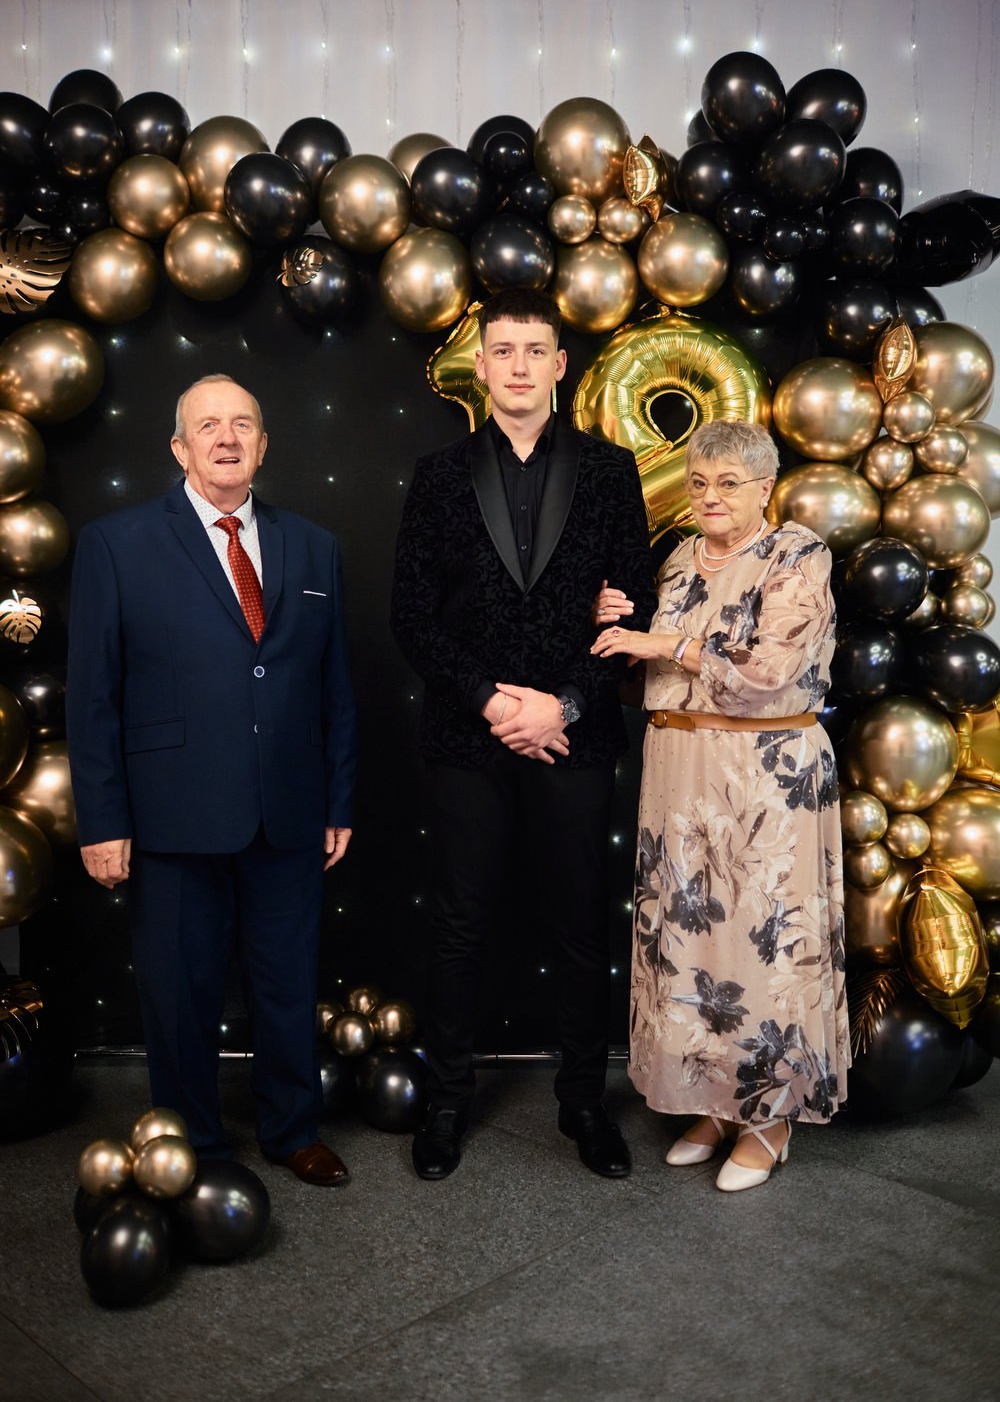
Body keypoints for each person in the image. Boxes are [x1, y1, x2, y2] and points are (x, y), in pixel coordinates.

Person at [391, 287, 657, 1181]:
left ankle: (585, 1104)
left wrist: (565, 706)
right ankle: (446, 1102)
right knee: (460, 926)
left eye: (533, 350)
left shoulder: (612, 472)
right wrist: (495, 705)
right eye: (501, 350)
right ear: (481, 366)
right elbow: (411, 616)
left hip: (575, 738)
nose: (517, 365)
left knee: (581, 926)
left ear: (559, 364)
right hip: (468, 741)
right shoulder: (436, 475)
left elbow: (633, 611)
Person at [66, 374, 356, 1187]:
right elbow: (92, 696)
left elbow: (334, 687)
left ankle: (293, 1130)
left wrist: (337, 799)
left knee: (287, 983)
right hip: (170, 815)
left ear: (263, 445)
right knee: (179, 992)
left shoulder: (313, 546)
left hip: (288, 809)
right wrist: (102, 821)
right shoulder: (116, 543)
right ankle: (194, 1143)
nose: (226, 438)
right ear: (179, 448)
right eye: (208, 426)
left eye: (242, 425)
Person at [591, 419, 849, 1192]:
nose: (710, 497)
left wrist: (662, 645)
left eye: (729, 483)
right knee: (693, 944)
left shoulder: (797, 554)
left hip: (765, 776)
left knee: (761, 944)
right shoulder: (677, 560)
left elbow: (767, 673)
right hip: (679, 773)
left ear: (765, 488)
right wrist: (614, 626)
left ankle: (769, 1118)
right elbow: (647, 678)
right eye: (700, 482)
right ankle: (714, 1100)